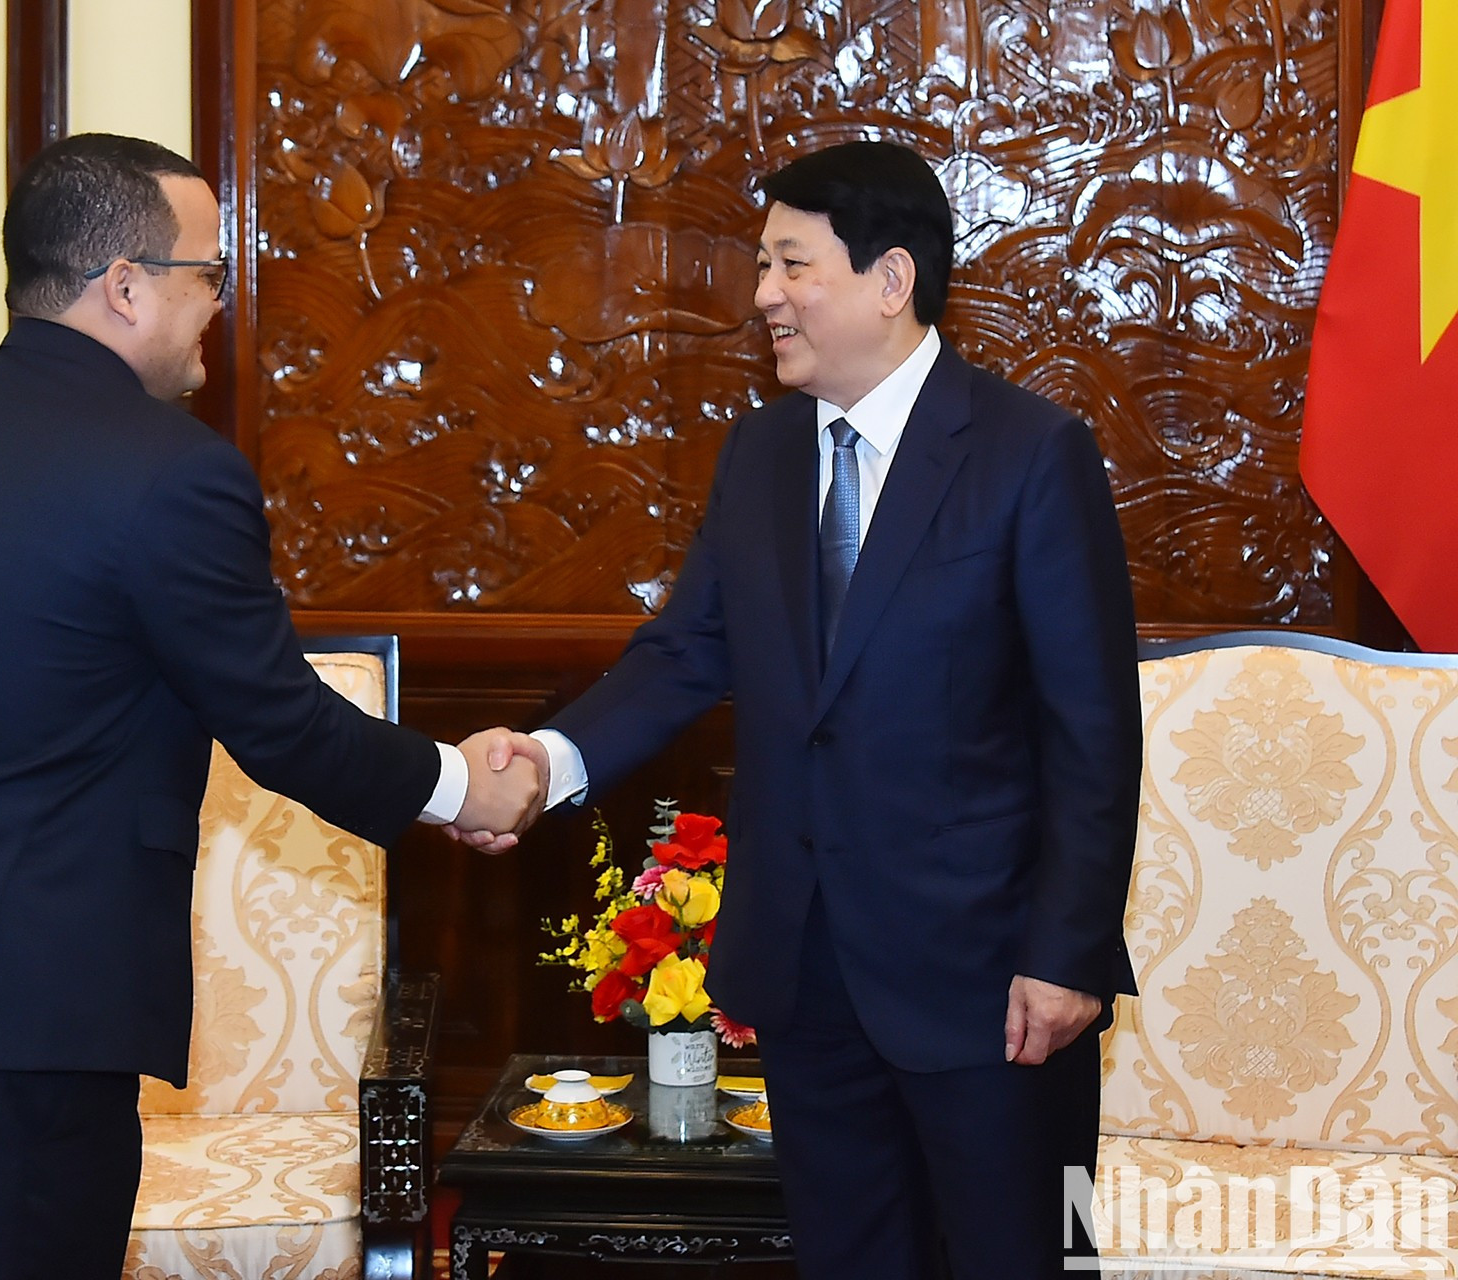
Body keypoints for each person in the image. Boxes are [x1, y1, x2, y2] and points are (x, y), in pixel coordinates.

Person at [0, 133, 541, 1280]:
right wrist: (460, 785)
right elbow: (279, 718)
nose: (219, 307)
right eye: (209, 274)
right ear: (126, 285)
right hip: (12, 1028)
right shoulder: (167, 470)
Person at [472, 140, 1142, 1278]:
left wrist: (1067, 951)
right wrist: (549, 756)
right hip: (806, 968)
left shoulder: (1033, 455)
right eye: (762, 263)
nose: (763, 293)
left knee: (1025, 1257)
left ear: (891, 279)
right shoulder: (763, 451)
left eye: (791, 264)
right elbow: (687, 651)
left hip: (990, 983)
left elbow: (1091, 728)